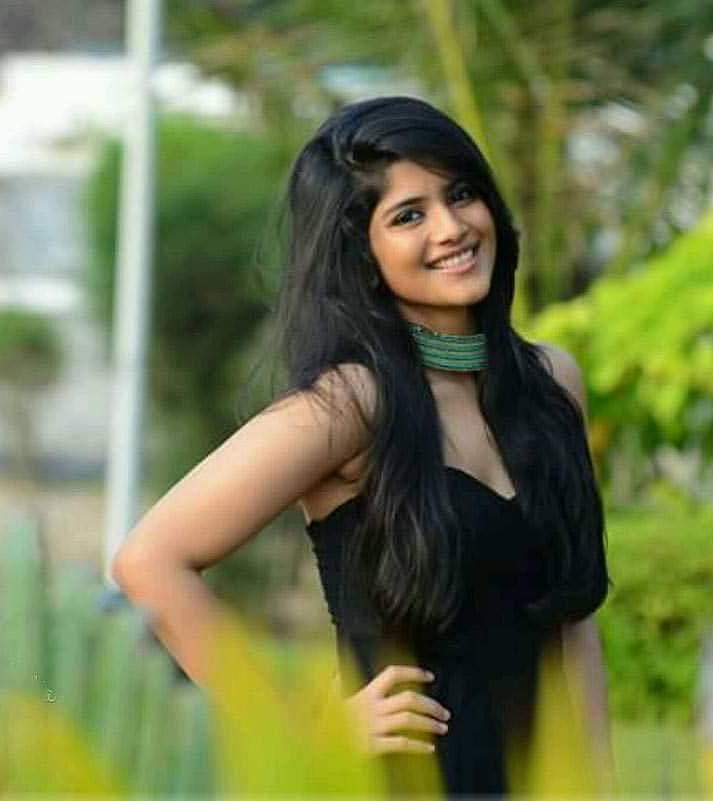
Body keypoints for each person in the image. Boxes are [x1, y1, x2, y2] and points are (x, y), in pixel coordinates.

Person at [112, 96, 611, 796]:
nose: (451, 228)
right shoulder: (353, 404)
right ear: (363, 254)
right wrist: (294, 727)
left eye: (460, 194)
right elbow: (149, 560)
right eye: (408, 215)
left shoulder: (552, 383)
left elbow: (572, 621)